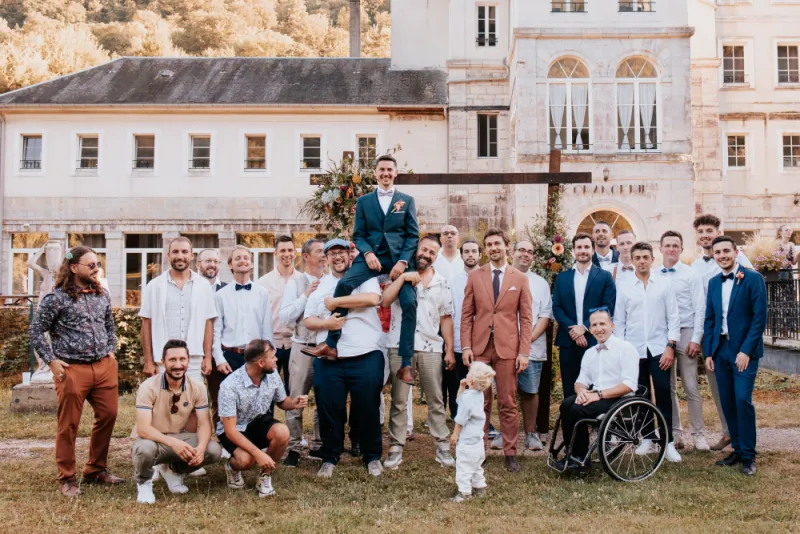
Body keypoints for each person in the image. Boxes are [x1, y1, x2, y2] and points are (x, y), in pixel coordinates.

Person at [303, 154, 419, 386]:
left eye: (389, 170)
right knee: (344, 285)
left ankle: (406, 363)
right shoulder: (365, 201)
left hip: (398, 260)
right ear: (375, 173)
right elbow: (359, 235)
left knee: (409, 302)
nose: (385, 173)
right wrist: (367, 254)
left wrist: (403, 263)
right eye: (382, 170)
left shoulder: (407, 200)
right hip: (371, 257)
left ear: (395, 173)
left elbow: (412, 235)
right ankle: (331, 344)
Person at [29, 246, 124, 497]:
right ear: (74, 268)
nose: (96, 269)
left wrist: (111, 350)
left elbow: (109, 325)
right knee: (68, 425)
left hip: (104, 366)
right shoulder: (56, 299)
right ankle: (67, 478)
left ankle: (95, 469)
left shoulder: (102, 295)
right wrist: (51, 361)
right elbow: (36, 331)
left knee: (109, 415)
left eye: (98, 265)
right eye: (91, 265)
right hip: (72, 369)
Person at [304, 239, 386, 478]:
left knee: (368, 407)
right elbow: (309, 319)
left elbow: (373, 299)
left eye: (342, 252)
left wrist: (336, 303)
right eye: (332, 253)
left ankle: (372, 456)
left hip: (366, 352)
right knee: (330, 407)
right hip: (330, 358)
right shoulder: (321, 286)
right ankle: (330, 456)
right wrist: (326, 323)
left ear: (351, 256)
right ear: (326, 258)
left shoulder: (365, 276)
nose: (337, 257)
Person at [461, 228, 533, 473]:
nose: (493, 248)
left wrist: (524, 352)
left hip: (507, 348)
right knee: (478, 401)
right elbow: (466, 315)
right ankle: (477, 451)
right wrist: (466, 346)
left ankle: (510, 453)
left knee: (508, 402)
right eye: (489, 244)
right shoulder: (475, 276)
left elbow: (526, 318)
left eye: (497, 244)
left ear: (507, 247)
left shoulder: (519, 278)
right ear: (485, 249)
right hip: (480, 347)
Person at [383, 236, 456, 470]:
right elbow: (385, 301)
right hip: (398, 345)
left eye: (432, 252)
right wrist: (403, 276)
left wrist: (449, 350)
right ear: (416, 250)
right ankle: (396, 447)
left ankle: (442, 447)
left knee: (436, 398)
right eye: (423, 249)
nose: (426, 254)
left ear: (437, 256)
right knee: (399, 399)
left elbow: (446, 318)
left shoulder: (442, 282)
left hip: (431, 346)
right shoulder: (399, 274)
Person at [613, 241, 682, 463]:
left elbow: (673, 318)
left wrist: (670, 346)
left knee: (663, 393)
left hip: (660, 348)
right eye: (637, 258)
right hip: (633, 350)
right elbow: (619, 321)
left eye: (645, 257)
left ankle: (668, 442)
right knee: (639, 393)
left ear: (652, 259)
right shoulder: (624, 287)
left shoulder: (664, 285)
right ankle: (647, 437)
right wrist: (622, 352)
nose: (642, 261)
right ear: (632, 261)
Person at [704, 236, 766, 476]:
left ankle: (749, 456)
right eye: (717, 252)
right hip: (720, 351)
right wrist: (709, 351)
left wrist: (745, 350)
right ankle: (737, 450)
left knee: (742, 400)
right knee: (728, 401)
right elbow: (710, 319)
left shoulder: (753, 278)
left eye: (726, 251)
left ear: (736, 251)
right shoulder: (713, 282)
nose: (722, 255)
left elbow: (759, 319)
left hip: (744, 352)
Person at [132, 340, 222, 504]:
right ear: (163, 361)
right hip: (153, 439)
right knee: (144, 449)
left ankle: (173, 471)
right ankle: (144, 483)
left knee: (213, 450)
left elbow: (204, 423)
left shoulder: (198, 387)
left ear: (188, 361)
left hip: (180, 437)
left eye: (182, 359)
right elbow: (143, 428)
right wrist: (173, 443)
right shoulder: (148, 387)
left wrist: (201, 448)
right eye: (172, 360)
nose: (178, 364)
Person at [691, 213, 752, 451]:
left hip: (737, 336)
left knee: (741, 391)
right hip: (712, 336)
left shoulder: (741, 261)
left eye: (709, 230)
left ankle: (744, 440)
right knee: (719, 388)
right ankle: (728, 432)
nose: (705, 235)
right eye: (701, 232)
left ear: (718, 232)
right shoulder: (695, 267)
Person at [217, 339, 308, 497]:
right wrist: (258, 454)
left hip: (258, 421)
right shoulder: (229, 386)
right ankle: (232, 467)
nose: (276, 360)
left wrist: (293, 402)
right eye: (272, 357)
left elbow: (282, 401)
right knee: (247, 460)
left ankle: (265, 476)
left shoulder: (272, 375)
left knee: (282, 432)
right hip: (234, 429)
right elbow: (230, 431)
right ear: (260, 362)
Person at [555, 309, 639, 473]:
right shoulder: (590, 353)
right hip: (597, 395)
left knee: (578, 409)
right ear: (590, 329)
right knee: (567, 404)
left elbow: (629, 384)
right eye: (594, 325)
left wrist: (598, 395)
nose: (598, 328)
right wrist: (581, 392)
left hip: (620, 398)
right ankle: (572, 454)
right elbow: (581, 381)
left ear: (612, 326)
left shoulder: (626, 348)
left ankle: (579, 459)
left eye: (602, 324)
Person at [656, 231, 710, 451]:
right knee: (667, 386)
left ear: (681, 249)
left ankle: (699, 434)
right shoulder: (653, 274)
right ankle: (675, 432)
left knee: (691, 385)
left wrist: (696, 338)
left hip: (686, 332)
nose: (671, 249)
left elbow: (700, 308)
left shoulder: (690, 274)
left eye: (675, 245)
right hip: (663, 334)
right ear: (660, 249)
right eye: (667, 245)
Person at [140, 236, 217, 382]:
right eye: (175, 252)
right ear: (168, 255)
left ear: (191, 255)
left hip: (194, 358)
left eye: (184, 252)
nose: (180, 256)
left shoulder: (203, 285)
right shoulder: (154, 286)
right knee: (163, 402)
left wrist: (207, 357)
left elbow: (208, 323)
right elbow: (146, 324)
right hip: (163, 358)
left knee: (193, 401)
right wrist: (148, 361)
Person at [279, 238, 326, 467]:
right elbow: (286, 317)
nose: (325, 255)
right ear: (306, 256)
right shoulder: (295, 283)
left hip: (325, 348)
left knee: (323, 398)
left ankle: (319, 444)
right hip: (302, 346)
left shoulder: (330, 281)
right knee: (297, 396)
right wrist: (306, 295)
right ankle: (294, 447)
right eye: (319, 251)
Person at [552, 233, 616, 399]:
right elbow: (557, 307)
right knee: (570, 387)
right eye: (579, 247)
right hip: (568, 340)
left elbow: (607, 307)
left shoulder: (604, 277)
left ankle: (594, 424)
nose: (583, 250)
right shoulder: (562, 278)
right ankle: (572, 425)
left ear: (593, 250)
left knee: (597, 387)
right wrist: (574, 330)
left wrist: (585, 327)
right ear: (573, 250)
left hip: (595, 339)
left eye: (587, 247)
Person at [510, 240, 552, 451]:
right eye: (522, 250)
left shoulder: (540, 283)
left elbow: (544, 316)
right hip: (504, 346)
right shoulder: (501, 277)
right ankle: (505, 433)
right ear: (513, 252)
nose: (525, 254)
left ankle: (531, 434)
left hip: (532, 348)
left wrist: (526, 341)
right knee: (505, 391)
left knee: (530, 391)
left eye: (530, 252)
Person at [213, 245, 274, 376]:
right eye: (238, 258)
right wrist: (219, 359)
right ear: (230, 264)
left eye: (246, 258)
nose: (242, 261)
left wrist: (268, 355)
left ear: (251, 264)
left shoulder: (262, 293)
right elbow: (216, 330)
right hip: (230, 356)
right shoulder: (220, 295)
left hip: (257, 357)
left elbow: (266, 328)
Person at [445, 239, 482, 419]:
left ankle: (482, 421)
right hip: (461, 341)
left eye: (474, 251)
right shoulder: (453, 281)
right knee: (462, 383)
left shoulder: (487, 278)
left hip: (482, 341)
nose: (470, 255)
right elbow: (450, 314)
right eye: (466, 251)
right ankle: (461, 419)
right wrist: (450, 347)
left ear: (480, 255)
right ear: (461, 255)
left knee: (480, 383)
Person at [449, 361, 495, 503]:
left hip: (467, 443)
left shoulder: (468, 398)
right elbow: (459, 400)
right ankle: (480, 487)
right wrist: (462, 387)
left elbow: (460, 419)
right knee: (476, 466)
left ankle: (464, 492)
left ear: (472, 379)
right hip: (478, 442)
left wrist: (455, 434)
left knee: (463, 467)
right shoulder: (478, 395)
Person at [257, 235, 298, 390]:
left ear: (295, 253)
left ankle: (293, 415)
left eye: (289, 250)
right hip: (271, 342)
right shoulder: (263, 282)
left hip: (295, 342)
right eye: (282, 250)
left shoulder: (302, 280)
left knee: (293, 389)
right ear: (275, 253)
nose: (286, 254)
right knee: (266, 389)